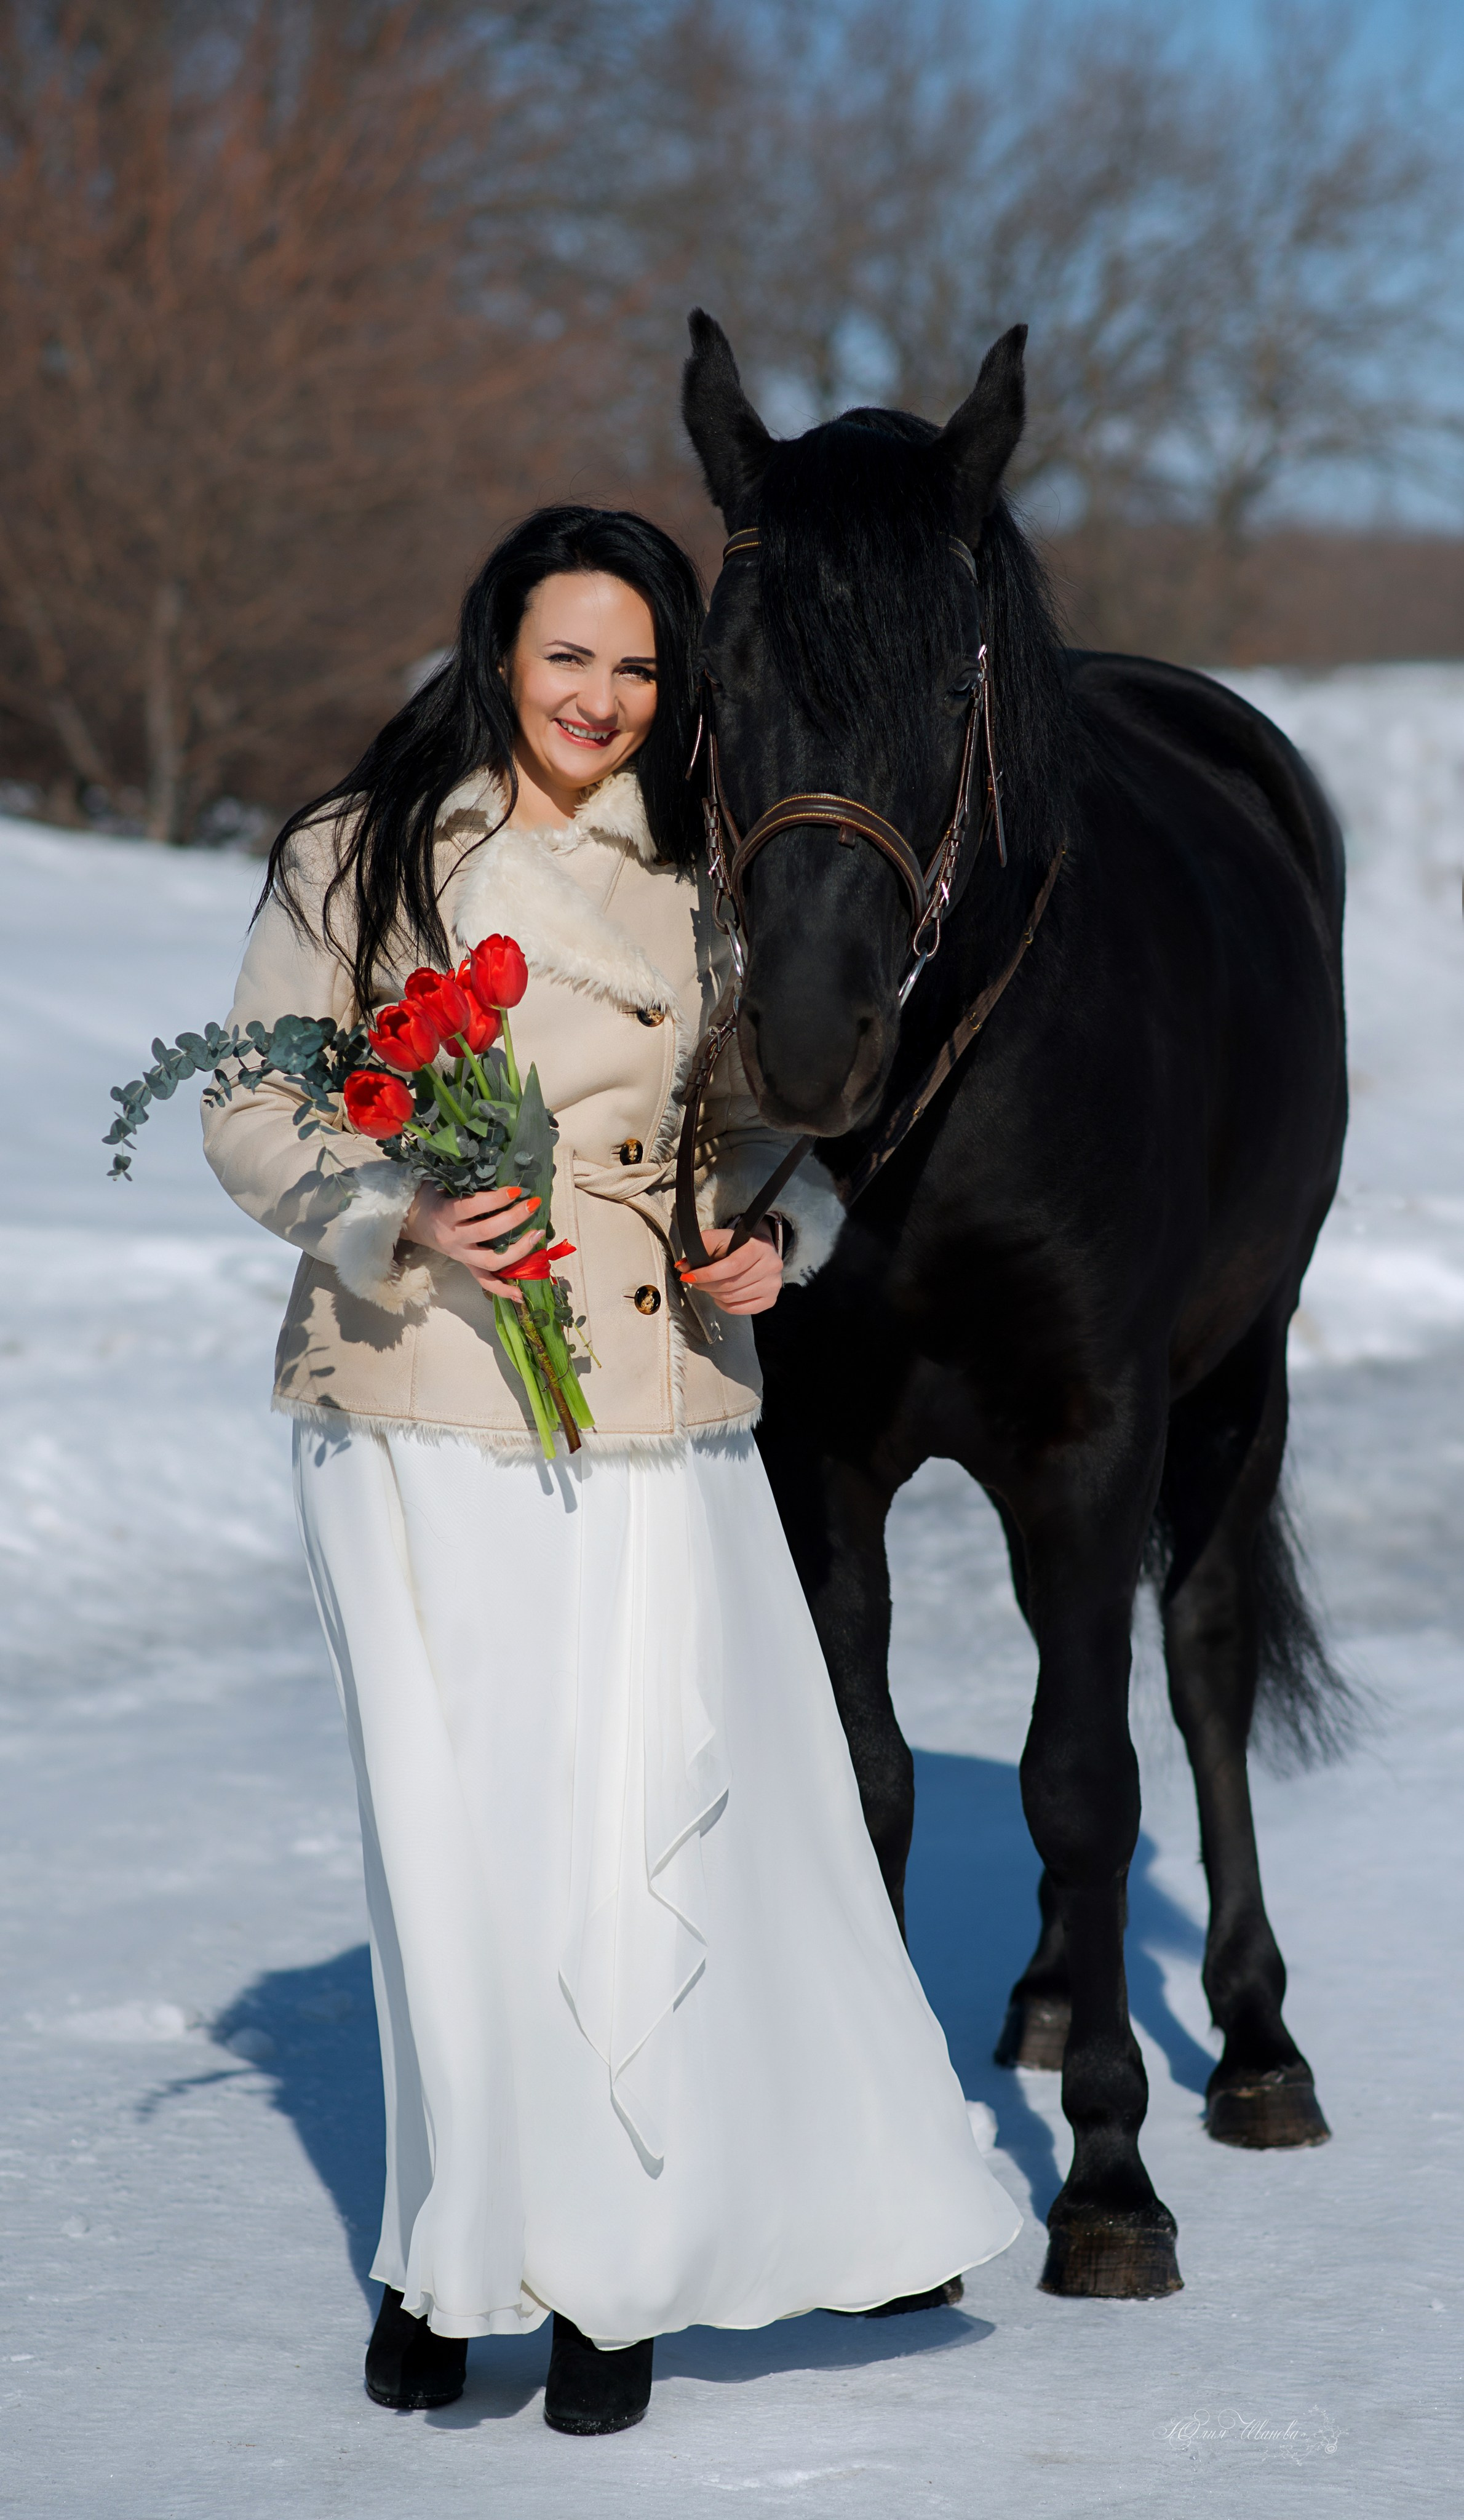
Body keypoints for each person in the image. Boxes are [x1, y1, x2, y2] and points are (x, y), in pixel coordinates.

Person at [204, 504, 1020, 2438]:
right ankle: (448, 2250)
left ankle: (605, 2278)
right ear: (499, 647)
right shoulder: (358, 852)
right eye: (568, 653)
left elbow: (769, 1125)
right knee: (449, 1856)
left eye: (641, 666)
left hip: (643, 1405)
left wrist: (778, 1233)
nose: (601, 697)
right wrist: (394, 1210)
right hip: (410, 1400)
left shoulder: (705, 870)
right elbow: (253, 1101)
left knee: (618, 1845)